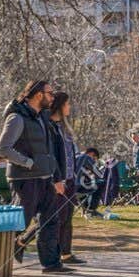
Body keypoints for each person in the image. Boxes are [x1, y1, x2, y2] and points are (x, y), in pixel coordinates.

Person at [0, 80, 65, 273]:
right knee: (20, 222)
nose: (53, 97)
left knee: (50, 221)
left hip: (45, 177)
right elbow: (2, 149)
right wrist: (27, 162)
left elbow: (49, 151)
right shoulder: (17, 118)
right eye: (50, 93)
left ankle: (51, 263)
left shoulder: (42, 117)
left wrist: (57, 177)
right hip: (24, 180)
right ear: (38, 95)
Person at [48, 91, 85, 266]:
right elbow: (52, 156)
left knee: (68, 217)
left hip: (70, 179)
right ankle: (25, 241)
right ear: (59, 106)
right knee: (56, 218)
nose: (69, 107)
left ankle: (66, 253)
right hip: (57, 180)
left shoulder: (64, 128)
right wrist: (57, 179)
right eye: (67, 104)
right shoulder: (49, 126)